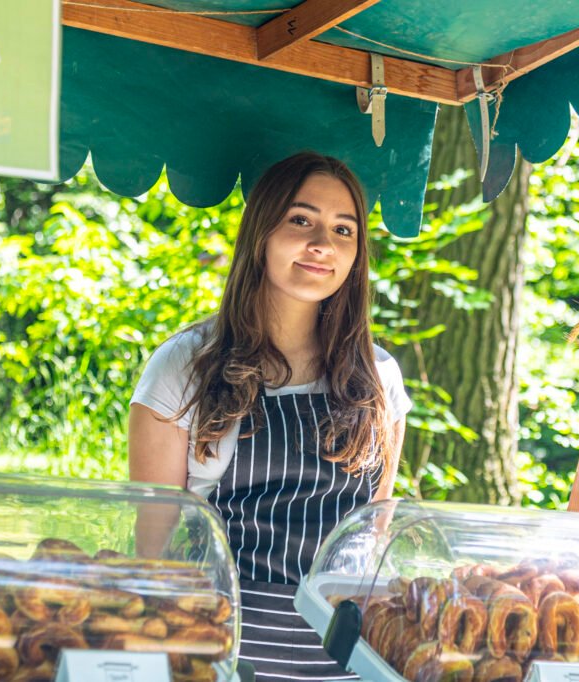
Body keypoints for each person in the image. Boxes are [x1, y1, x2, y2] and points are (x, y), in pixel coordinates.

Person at [129, 152, 411, 680]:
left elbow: (372, 532)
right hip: (220, 650)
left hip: (343, 659)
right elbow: (154, 546)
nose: (322, 245)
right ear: (260, 232)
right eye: (300, 220)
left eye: (342, 229)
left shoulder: (379, 377)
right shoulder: (184, 365)